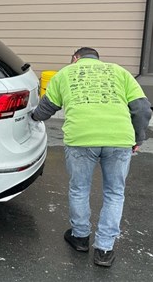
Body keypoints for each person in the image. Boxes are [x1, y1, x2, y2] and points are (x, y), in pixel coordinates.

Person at [31, 47, 151, 268]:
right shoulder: (119, 71)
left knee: (80, 188)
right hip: (119, 139)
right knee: (114, 193)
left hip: (81, 138)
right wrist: (137, 138)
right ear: (97, 59)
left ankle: (80, 238)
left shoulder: (65, 73)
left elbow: (47, 107)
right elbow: (142, 109)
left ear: (75, 58)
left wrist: (33, 117)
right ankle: (104, 250)